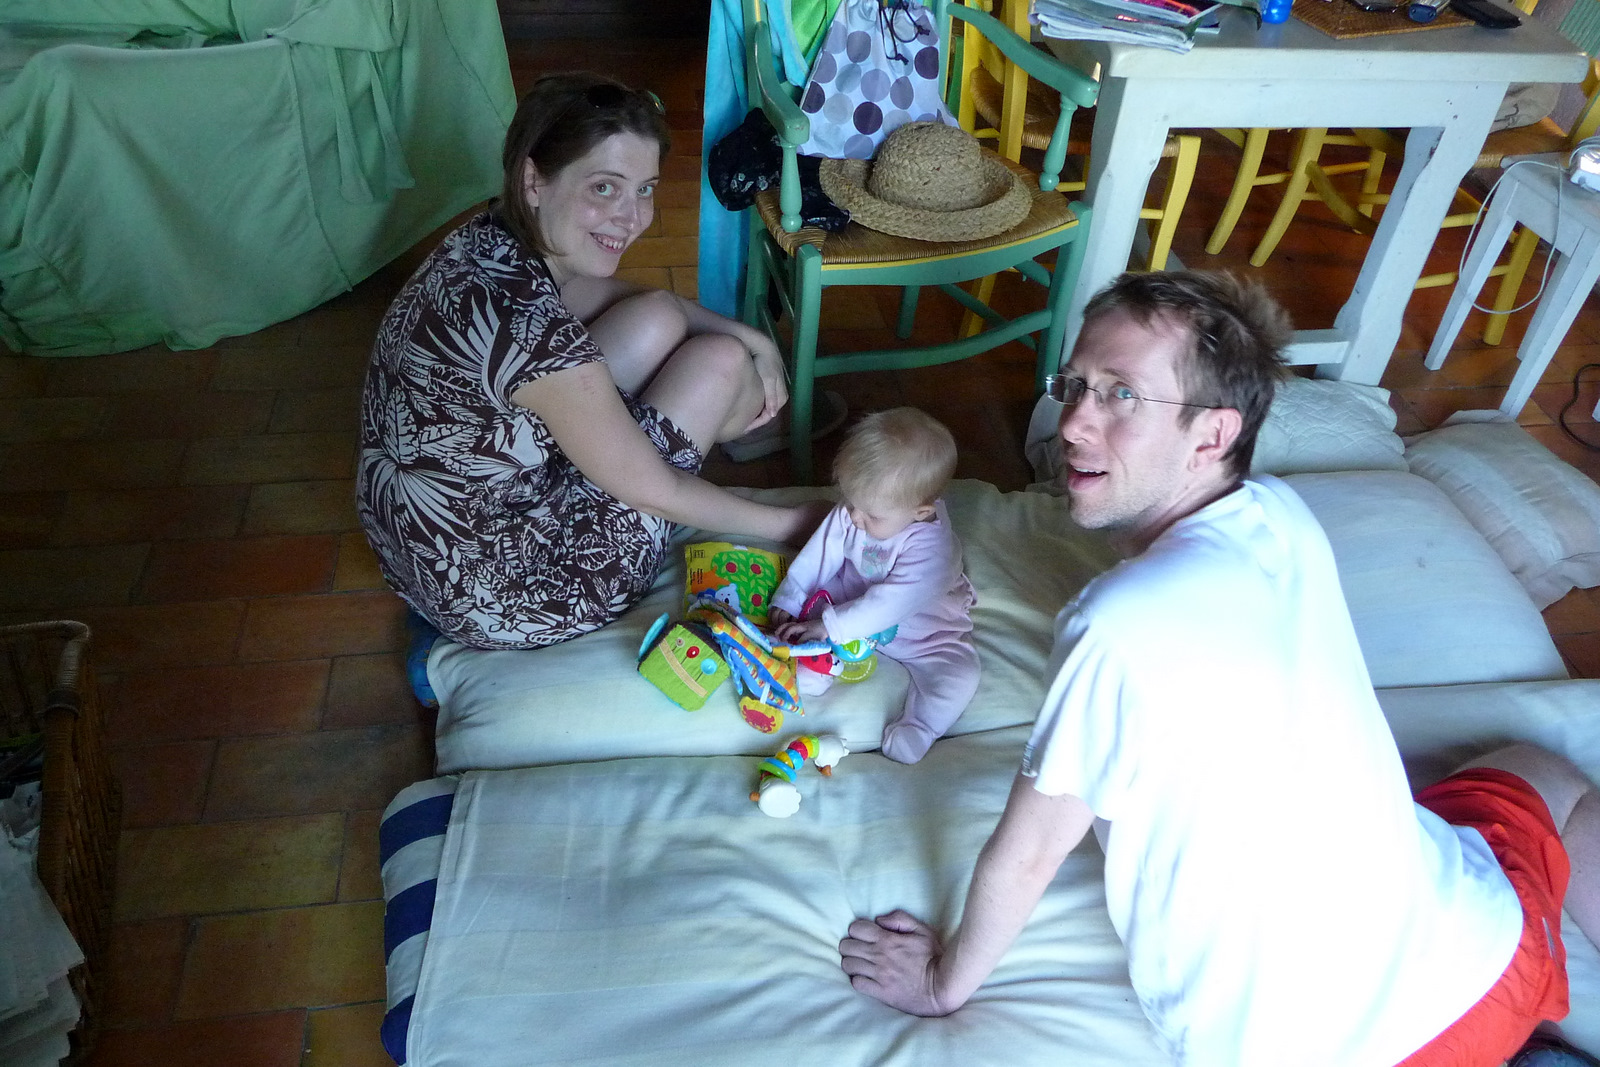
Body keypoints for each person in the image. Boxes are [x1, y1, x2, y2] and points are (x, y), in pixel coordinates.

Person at [836, 270, 1600, 1066]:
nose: (1073, 423)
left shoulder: (1114, 624)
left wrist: (941, 985)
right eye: (1077, 385)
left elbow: (1028, 852)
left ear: (1211, 435)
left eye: (1121, 395)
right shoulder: (1283, 516)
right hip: (1488, 961)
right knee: (1541, 771)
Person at [356, 73, 824, 650]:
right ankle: (744, 419)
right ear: (534, 180)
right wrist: (796, 523)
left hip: (417, 550)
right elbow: (655, 491)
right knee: (719, 363)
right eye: (605, 188)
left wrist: (755, 337)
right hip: (504, 595)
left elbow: (640, 301)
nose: (632, 218)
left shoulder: (490, 240)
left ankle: (739, 413)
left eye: (644, 189)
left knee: (662, 318)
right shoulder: (533, 333)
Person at [766, 407, 979, 764]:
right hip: (850, 596)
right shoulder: (862, 506)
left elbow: (890, 603)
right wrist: (792, 596)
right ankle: (812, 662)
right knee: (809, 610)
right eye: (850, 501)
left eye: (871, 515)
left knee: (961, 674)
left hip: (923, 631)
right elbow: (822, 551)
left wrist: (831, 626)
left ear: (921, 511)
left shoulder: (935, 552)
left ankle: (921, 728)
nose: (853, 517)